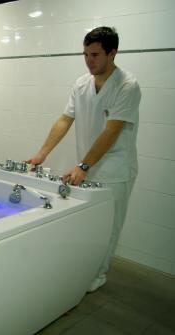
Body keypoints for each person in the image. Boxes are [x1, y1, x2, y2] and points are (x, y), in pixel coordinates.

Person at [26, 27, 141, 292]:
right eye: (86, 54)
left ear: (113, 53)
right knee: (88, 225)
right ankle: (82, 269)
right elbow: (65, 119)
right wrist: (42, 154)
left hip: (115, 171)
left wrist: (83, 165)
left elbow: (112, 130)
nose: (89, 61)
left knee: (108, 227)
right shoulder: (81, 84)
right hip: (86, 167)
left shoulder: (127, 86)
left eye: (95, 55)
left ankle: (96, 276)